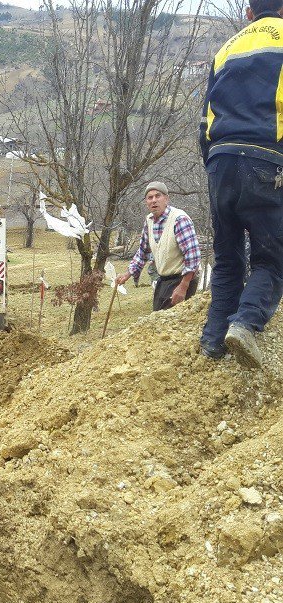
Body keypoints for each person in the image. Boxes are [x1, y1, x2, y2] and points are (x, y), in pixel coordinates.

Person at [198, 0, 283, 368]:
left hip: (221, 160)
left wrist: (214, 166)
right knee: (273, 259)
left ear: (248, 12)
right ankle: (246, 323)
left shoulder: (226, 49)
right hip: (266, 160)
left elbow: (205, 121)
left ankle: (212, 341)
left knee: (228, 258)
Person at [116, 182, 201, 311]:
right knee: (158, 319)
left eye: (158, 196)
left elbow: (193, 256)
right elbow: (143, 252)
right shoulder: (149, 221)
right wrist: (127, 274)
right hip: (164, 280)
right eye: (150, 198)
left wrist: (183, 286)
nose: (154, 200)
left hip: (182, 279)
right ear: (146, 202)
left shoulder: (179, 219)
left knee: (171, 325)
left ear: (166, 199)